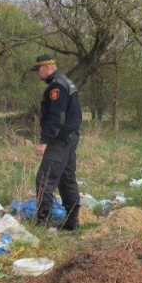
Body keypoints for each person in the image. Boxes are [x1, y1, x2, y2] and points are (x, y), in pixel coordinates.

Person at [29, 54, 82, 230]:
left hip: (60, 140)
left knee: (44, 179)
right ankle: (72, 222)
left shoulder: (57, 86)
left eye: (38, 70)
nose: (38, 74)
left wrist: (44, 141)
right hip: (70, 138)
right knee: (66, 179)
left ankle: (43, 222)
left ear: (47, 67)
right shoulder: (65, 81)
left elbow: (56, 117)